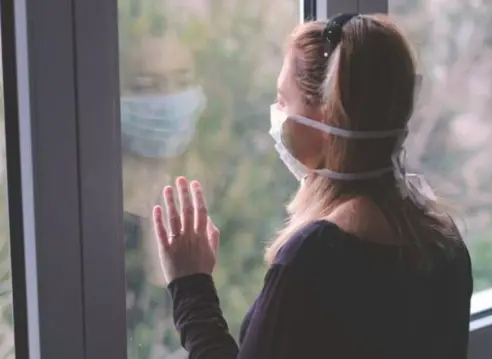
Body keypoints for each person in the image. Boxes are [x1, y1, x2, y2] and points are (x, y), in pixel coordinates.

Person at [152, 13, 473, 359]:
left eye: (283, 100)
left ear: (327, 116)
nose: (276, 114)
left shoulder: (315, 258)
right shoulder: (443, 239)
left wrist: (191, 287)